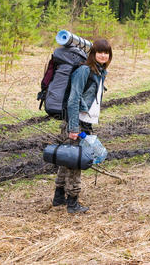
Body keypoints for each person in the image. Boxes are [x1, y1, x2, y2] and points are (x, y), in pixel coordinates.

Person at [52, 39, 112, 213]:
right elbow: (73, 99)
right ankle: (72, 202)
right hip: (76, 122)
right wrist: (73, 127)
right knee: (76, 162)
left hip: (83, 122)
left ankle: (58, 197)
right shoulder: (84, 70)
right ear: (92, 54)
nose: (103, 55)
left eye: (106, 52)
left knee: (66, 159)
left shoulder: (99, 72)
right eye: (100, 52)